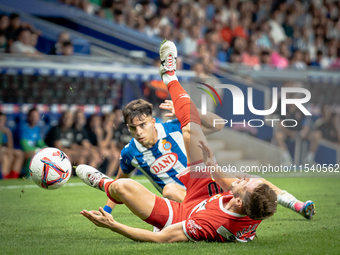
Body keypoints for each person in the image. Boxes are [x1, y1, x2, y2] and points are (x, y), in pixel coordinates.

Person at [76, 40, 315, 243]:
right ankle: (170, 75)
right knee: (190, 131)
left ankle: (101, 182)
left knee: (122, 187)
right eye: (133, 127)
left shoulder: (208, 225)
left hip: (184, 213)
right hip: (203, 189)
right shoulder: (250, 204)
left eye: (142, 125)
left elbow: (162, 239)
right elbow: (240, 183)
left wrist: (112, 224)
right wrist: (211, 164)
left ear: (239, 201)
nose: (244, 178)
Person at [101, 98, 225, 214]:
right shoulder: (129, 152)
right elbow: (119, 183)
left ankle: (212, 209)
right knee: (170, 190)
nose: (139, 132)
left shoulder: (176, 128)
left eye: (143, 125)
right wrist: (106, 211)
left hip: (210, 189)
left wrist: (188, 109)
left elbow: (219, 124)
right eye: (133, 128)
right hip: (183, 202)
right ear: (128, 128)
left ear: (153, 122)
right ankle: (205, 213)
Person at [0, 112, 24, 179]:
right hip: (2, 152)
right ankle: (5, 179)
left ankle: (13, 178)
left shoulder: (5, 131)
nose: (2, 122)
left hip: (5, 150)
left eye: (3, 120)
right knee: (5, 157)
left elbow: (10, 146)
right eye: (0, 120)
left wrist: (8, 133)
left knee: (19, 153)